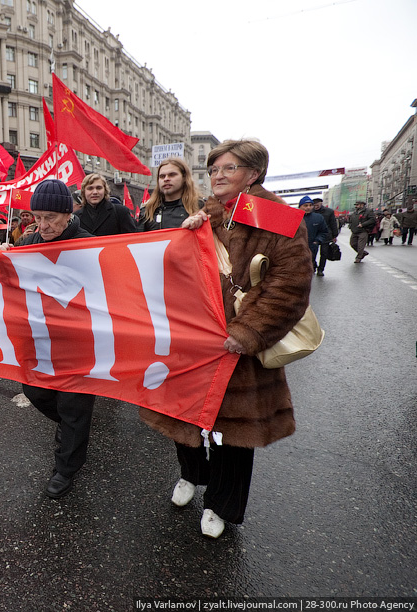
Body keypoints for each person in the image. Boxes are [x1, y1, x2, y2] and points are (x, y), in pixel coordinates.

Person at [144, 139, 312, 539]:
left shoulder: (279, 218)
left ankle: (221, 504)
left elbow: (289, 286)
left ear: (253, 174)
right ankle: (192, 474)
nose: (218, 176)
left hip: (240, 344)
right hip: (193, 335)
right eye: (214, 170)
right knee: (179, 412)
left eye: (228, 169)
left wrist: (246, 332)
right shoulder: (209, 215)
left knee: (232, 432)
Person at [3, 179, 97, 499]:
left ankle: (66, 468)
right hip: (40, 339)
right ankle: (74, 428)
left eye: (50, 218)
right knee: (35, 392)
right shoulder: (29, 242)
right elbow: (9, 280)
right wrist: (2, 261)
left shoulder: (88, 245)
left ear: (67, 215)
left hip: (77, 342)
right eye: (36, 217)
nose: (42, 225)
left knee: (73, 405)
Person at [139, 157, 202, 231]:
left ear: (184, 177)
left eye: (172, 175)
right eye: (162, 176)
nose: (166, 179)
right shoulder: (147, 211)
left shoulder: (199, 207)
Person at [299, 197, 330, 270]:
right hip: (298, 247)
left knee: (309, 266)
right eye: (305, 205)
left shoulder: (318, 217)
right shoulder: (293, 217)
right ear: (300, 206)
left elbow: (323, 231)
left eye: (310, 205)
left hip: (312, 246)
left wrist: (317, 241)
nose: (308, 207)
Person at [311, 198, 338, 276]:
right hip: (314, 235)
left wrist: (334, 235)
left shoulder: (329, 211)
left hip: (326, 235)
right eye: (314, 205)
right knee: (312, 253)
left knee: (324, 254)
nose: (316, 207)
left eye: (317, 205)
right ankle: (314, 265)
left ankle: (321, 269)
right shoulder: (311, 212)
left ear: (321, 204)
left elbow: (333, 224)